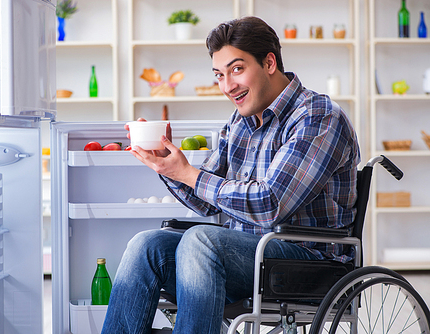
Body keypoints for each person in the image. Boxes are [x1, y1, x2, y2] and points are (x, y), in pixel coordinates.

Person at [101, 16, 360, 334]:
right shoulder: (240, 122)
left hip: (307, 263)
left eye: (237, 70)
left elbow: (270, 204)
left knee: (201, 241)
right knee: (146, 245)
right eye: (219, 75)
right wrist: (167, 167)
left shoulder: (317, 117)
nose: (227, 86)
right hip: (246, 256)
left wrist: (191, 174)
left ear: (269, 62)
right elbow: (209, 203)